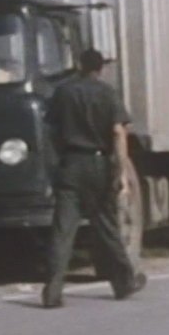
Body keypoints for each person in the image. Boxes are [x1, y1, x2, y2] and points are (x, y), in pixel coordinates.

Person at [42, 49, 146, 308]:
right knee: (107, 227)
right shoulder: (107, 93)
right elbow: (118, 133)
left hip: (70, 164)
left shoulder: (62, 92)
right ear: (101, 68)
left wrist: (55, 165)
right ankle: (124, 282)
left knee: (63, 231)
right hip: (98, 164)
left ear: (78, 64)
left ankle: (53, 290)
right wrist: (120, 171)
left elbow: (50, 132)